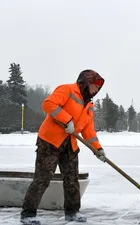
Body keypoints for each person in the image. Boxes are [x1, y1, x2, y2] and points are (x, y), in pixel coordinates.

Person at [20, 69, 106, 225]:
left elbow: (89, 131)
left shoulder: (89, 106)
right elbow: (48, 104)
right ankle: (28, 214)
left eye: (99, 88)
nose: (96, 90)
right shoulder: (67, 89)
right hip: (50, 142)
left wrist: (97, 149)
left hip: (70, 144)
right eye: (95, 86)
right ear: (86, 82)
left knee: (72, 179)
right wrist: (67, 120)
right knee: (43, 178)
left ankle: (72, 212)